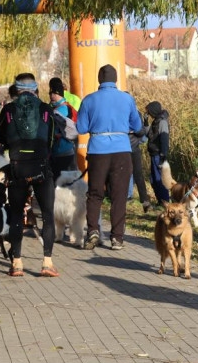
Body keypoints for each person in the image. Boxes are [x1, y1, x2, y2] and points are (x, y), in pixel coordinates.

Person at [0, 73, 58, 277]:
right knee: (48, 215)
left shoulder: (8, 109)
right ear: (34, 88)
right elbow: (51, 140)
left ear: (17, 88)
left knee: (15, 214)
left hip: (17, 169)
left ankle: (17, 263)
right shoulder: (46, 109)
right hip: (41, 167)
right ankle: (47, 262)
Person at [76, 64, 142, 250]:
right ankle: (117, 238)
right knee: (119, 196)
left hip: (98, 151)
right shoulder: (127, 99)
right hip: (121, 150)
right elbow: (137, 126)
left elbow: (81, 128)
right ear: (115, 79)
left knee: (95, 194)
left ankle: (93, 231)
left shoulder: (88, 100)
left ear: (99, 79)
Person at [47, 80, 78, 176]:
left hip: (61, 151)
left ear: (58, 94)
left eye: (53, 93)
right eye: (50, 93)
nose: (51, 96)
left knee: (60, 183)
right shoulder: (67, 106)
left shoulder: (59, 111)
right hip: (69, 149)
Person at [144, 101, 170, 207]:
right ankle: (160, 200)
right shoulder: (156, 121)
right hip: (154, 153)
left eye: (149, 112)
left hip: (159, 154)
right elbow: (147, 134)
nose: (148, 114)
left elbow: (164, 139)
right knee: (153, 179)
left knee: (160, 179)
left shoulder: (162, 122)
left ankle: (165, 202)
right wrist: (145, 122)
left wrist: (163, 156)